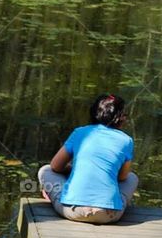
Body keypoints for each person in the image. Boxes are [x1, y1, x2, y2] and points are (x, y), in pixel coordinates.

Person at [37, 93, 138, 225]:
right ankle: (115, 202)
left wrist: (73, 169)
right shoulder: (126, 140)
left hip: (73, 211)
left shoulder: (80, 132)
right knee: (132, 178)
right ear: (120, 118)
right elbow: (122, 177)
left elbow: (55, 166)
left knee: (45, 170)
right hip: (108, 215)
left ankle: (55, 196)